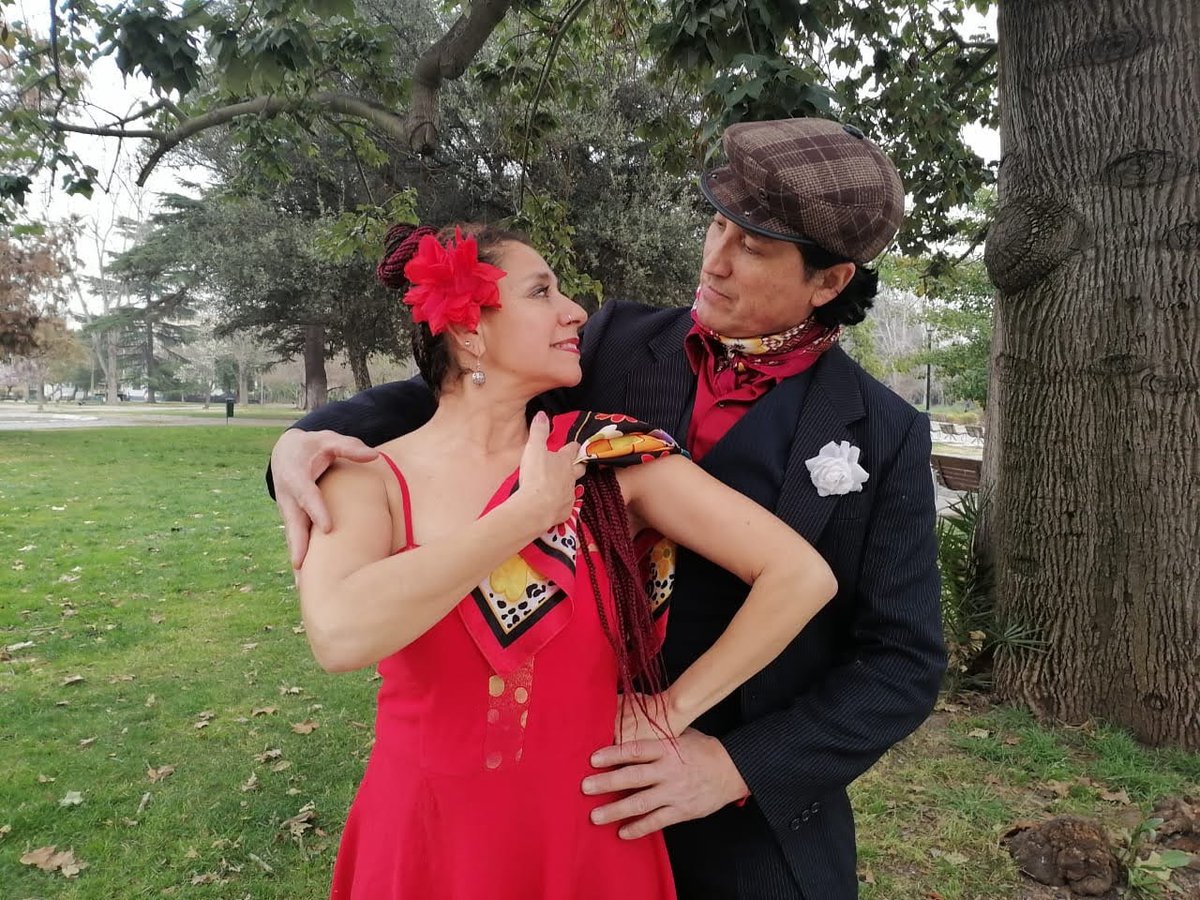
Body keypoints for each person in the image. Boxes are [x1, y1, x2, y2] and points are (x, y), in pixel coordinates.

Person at [271, 117, 944, 900]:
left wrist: (730, 763)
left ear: (828, 282)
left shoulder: (884, 433)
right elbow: (464, 388)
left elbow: (902, 662)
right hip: (560, 795)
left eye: (754, 247)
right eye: (716, 227)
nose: (715, 261)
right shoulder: (616, 342)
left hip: (747, 830)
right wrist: (306, 439)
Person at [298, 222, 837, 899]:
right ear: (468, 330)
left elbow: (801, 577)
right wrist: (524, 515)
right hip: (427, 832)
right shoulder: (365, 477)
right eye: (541, 292)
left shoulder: (606, 459)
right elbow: (340, 636)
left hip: (586, 825)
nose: (575, 311)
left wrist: (671, 710)